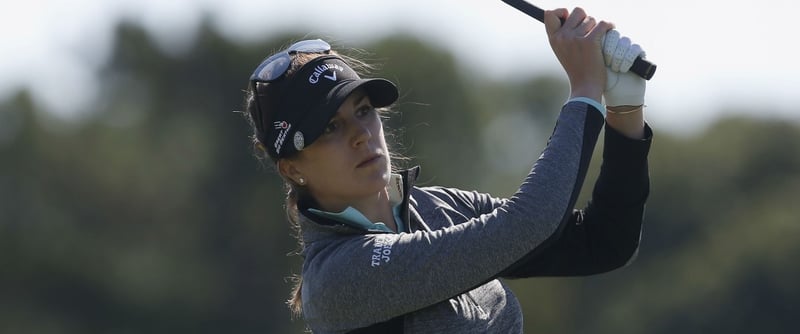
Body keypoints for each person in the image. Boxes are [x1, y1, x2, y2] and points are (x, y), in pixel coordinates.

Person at [241, 7, 652, 334]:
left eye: (363, 111)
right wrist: (583, 94)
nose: (361, 135)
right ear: (292, 169)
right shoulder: (339, 277)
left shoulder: (438, 209)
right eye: (331, 127)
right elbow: (528, 223)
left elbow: (603, 242)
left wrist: (624, 110)